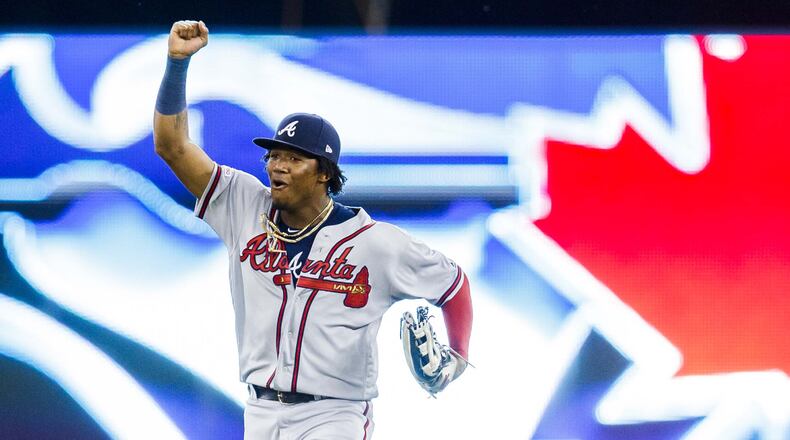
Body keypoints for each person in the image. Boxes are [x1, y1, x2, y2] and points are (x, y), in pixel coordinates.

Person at [153, 20, 473, 439]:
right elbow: (171, 146)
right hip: (260, 410)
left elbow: (453, 285)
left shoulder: (376, 243)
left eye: (293, 158)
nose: (277, 166)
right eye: (273, 155)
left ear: (324, 173)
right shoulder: (243, 205)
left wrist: (457, 357)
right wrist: (177, 65)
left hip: (334, 415)